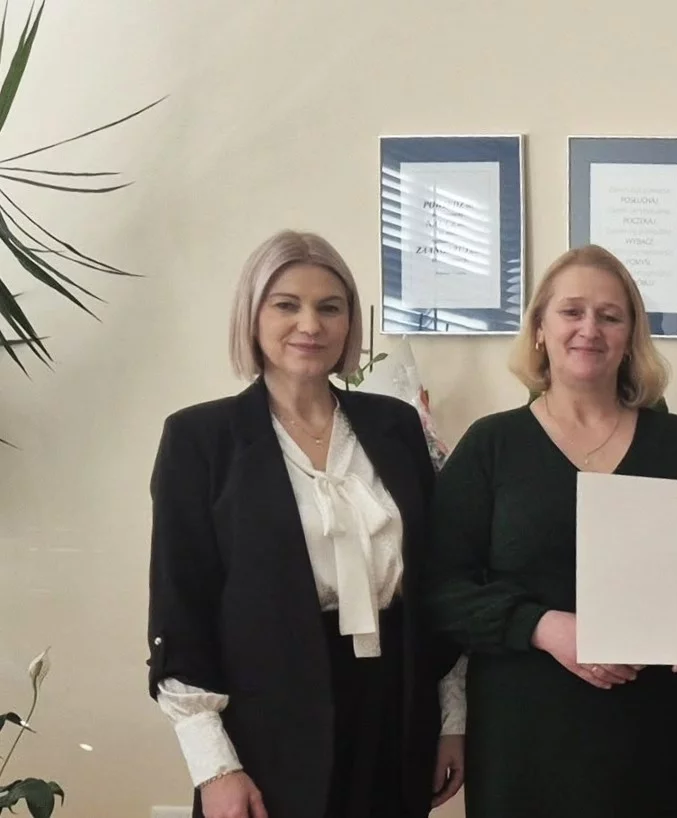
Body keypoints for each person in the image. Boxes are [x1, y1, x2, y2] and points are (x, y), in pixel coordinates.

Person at [146, 229, 466, 818]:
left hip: (395, 711)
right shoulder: (200, 439)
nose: (310, 325)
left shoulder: (395, 426)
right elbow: (181, 610)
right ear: (253, 315)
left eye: (330, 307)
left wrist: (451, 721)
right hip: (266, 719)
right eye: (287, 305)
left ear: (350, 323)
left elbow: (434, 586)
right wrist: (215, 767)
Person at [423, 244, 677, 817]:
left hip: (656, 737)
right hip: (526, 738)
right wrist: (542, 626)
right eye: (571, 311)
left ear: (631, 337)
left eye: (610, 316)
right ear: (539, 328)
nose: (590, 329)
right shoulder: (491, 445)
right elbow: (440, 591)